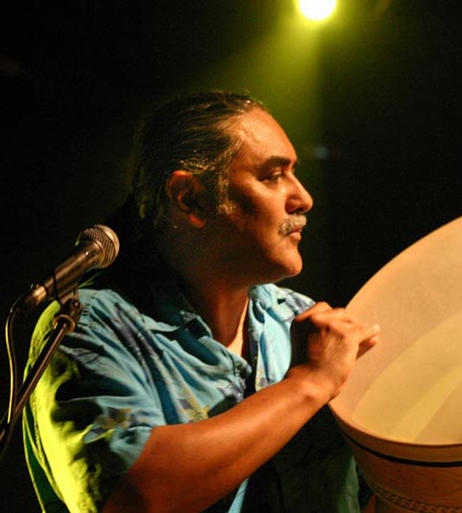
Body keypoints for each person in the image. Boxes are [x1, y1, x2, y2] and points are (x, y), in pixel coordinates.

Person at [22, 90, 381, 513]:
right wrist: (308, 383)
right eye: (272, 176)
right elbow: (136, 498)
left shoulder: (303, 322)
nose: (303, 198)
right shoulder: (88, 326)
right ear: (190, 197)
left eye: (294, 173)